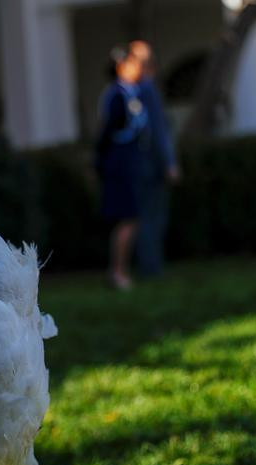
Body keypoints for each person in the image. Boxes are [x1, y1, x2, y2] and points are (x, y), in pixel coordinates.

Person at [95, 47, 150, 290]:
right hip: (120, 164)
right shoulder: (118, 96)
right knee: (126, 217)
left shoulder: (129, 93)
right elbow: (108, 133)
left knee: (131, 217)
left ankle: (121, 270)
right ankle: (118, 272)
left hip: (128, 161)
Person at [129, 40, 180, 276]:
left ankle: (147, 266)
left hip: (137, 166)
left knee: (144, 218)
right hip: (151, 167)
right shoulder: (147, 89)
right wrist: (169, 163)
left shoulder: (130, 90)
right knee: (152, 218)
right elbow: (158, 130)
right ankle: (152, 268)